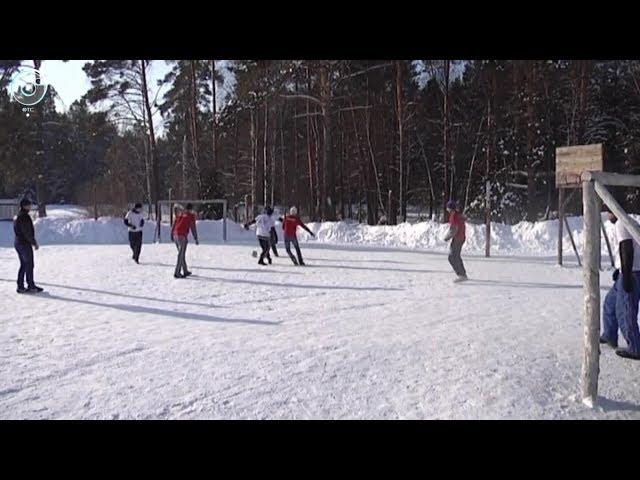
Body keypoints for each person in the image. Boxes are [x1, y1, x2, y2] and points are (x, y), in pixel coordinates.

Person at [600, 210, 640, 360]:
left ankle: (636, 347)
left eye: (609, 212)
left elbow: (627, 248)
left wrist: (627, 275)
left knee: (625, 310)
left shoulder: (621, 223)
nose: (608, 215)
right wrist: (620, 270)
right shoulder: (628, 221)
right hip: (628, 270)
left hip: (632, 272)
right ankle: (610, 335)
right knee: (610, 303)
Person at [13, 198, 43, 294]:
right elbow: (27, 232)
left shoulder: (18, 215)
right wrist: (34, 243)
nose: (30, 206)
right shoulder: (24, 217)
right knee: (28, 265)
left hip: (18, 243)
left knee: (24, 265)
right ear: (24, 206)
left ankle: (22, 286)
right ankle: (29, 286)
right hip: (24, 244)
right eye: (29, 205)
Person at [171, 203, 199, 278]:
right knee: (181, 255)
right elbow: (193, 228)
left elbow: (174, 223)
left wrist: (172, 233)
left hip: (176, 235)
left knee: (181, 254)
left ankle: (185, 270)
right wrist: (196, 238)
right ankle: (177, 272)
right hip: (182, 236)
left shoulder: (180, 214)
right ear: (191, 209)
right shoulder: (190, 216)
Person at [443, 200, 467, 282]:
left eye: (448, 208)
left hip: (458, 238)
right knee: (456, 256)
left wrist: (447, 237)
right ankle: (462, 273)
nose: (447, 210)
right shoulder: (458, 215)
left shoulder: (454, 216)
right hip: (461, 237)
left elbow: (454, 229)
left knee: (452, 257)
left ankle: (461, 274)